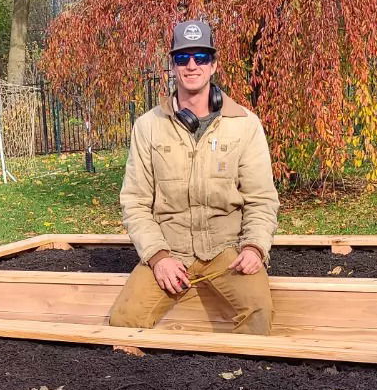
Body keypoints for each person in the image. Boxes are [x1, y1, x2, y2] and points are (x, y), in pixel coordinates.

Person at [109, 19, 280, 335]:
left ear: (213, 65)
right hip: (170, 248)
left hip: (227, 250)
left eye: (200, 57)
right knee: (123, 321)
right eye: (182, 58)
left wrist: (254, 248)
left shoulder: (245, 124)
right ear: (172, 66)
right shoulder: (147, 127)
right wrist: (158, 257)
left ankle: (240, 382)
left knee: (258, 315)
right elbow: (134, 202)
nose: (191, 65)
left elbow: (262, 199)